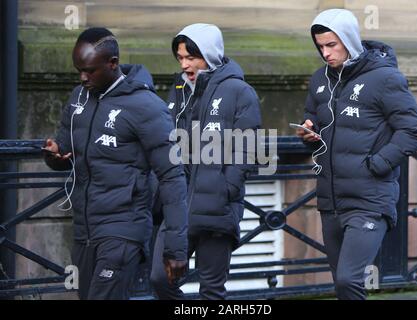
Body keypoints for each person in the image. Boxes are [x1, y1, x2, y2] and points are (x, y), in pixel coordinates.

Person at [43, 27, 188, 300]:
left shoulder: (147, 107)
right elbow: (66, 153)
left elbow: (172, 177)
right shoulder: (79, 97)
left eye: (89, 70)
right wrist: (53, 155)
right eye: (78, 70)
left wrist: (176, 249)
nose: (82, 78)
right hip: (84, 229)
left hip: (124, 229)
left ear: (112, 63)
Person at [295, 9, 417, 300]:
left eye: (332, 45)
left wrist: (378, 164)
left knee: (348, 280)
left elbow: (414, 129)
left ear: (349, 40)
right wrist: (308, 131)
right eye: (320, 47)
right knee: (342, 285)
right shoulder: (320, 79)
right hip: (330, 199)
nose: (325, 53)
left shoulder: (385, 78)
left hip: (370, 199)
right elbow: (314, 119)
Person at [150, 23, 262, 300]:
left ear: (209, 54)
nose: (185, 65)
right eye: (180, 58)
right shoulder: (179, 87)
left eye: (192, 57)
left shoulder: (239, 91)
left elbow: (249, 149)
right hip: (177, 206)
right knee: (159, 279)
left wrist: (227, 189)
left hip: (217, 207)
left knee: (211, 290)